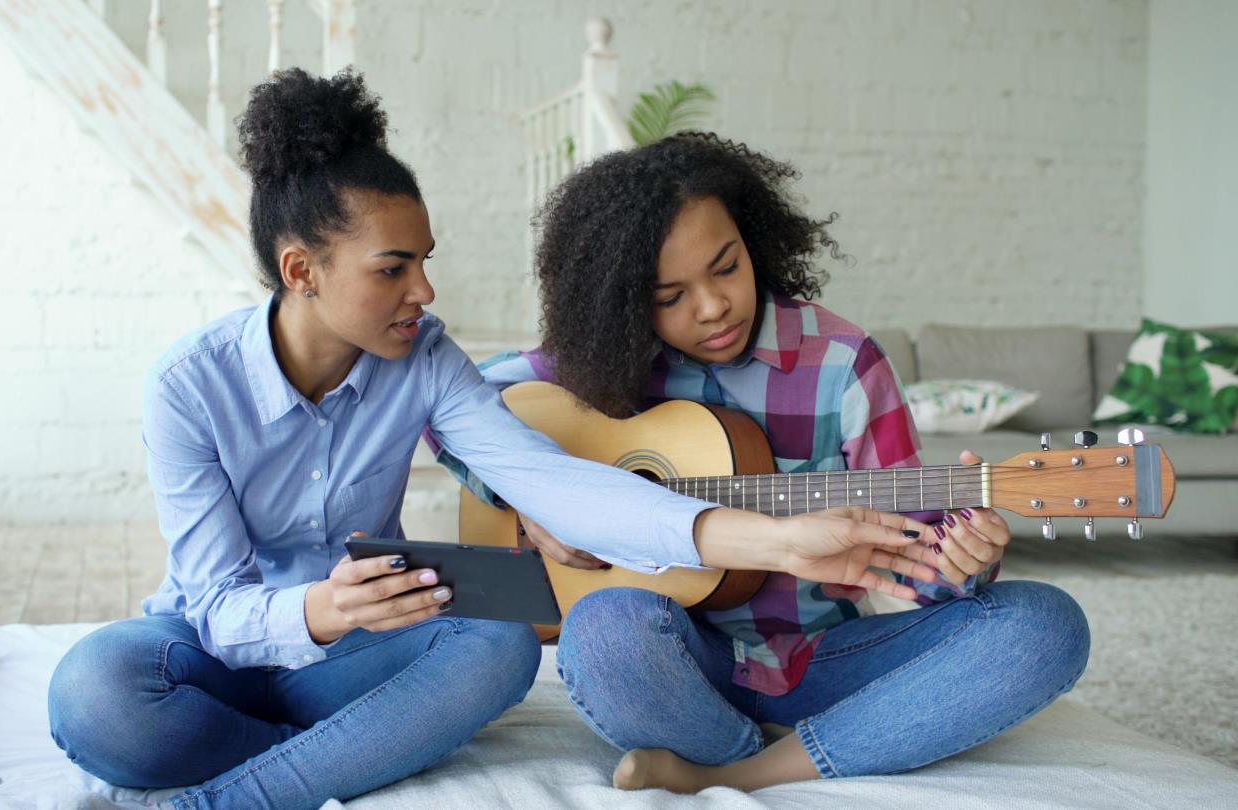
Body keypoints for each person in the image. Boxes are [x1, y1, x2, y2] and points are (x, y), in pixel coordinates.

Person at [45, 73, 938, 810]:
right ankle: (322, 759)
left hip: (362, 661)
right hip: (220, 656)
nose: (424, 290)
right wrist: (321, 610)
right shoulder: (189, 387)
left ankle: (230, 798)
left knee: (500, 646)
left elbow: (564, 485)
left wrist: (783, 540)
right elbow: (210, 607)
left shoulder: (425, 363)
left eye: (425, 259)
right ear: (301, 272)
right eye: (394, 269)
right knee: (95, 697)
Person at [431, 132, 1091, 792]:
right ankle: (800, 748)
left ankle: (744, 770)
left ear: (754, 240)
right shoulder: (598, 363)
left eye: (726, 267)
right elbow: (444, 406)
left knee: (1045, 626)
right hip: (681, 660)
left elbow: (917, 569)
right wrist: (534, 499)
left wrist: (962, 561)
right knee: (602, 632)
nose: (713, 306)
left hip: (823, 658)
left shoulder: (843, 366)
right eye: (670, 296)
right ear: (625, 302)